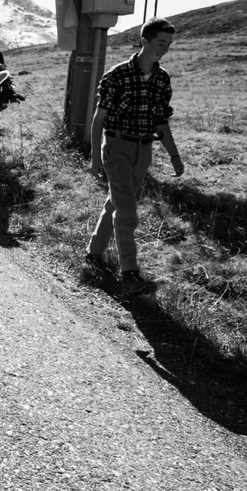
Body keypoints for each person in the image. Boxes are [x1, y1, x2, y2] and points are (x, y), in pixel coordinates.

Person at [85, 17, 184, 294]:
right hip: (115, 148)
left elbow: (161, 122)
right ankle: (130, 273)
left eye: (168, 45)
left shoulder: (162, 80)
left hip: (144, 151)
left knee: (116, 203)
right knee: (127, 211)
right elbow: (98, 119)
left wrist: (174, 156)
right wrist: (95, 158)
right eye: (160, 43)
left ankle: (93, 253)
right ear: (145, 41)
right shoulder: (116, 75)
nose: (164, 49)